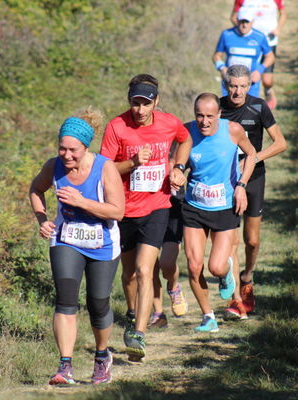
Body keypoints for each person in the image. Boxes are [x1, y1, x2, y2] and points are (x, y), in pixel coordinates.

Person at [29, 108, 125, 385]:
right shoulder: (53, 166)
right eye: (62, 148)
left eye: (73, 150)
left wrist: (81, 201)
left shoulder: (105, 168)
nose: (67, 155)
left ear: (86, 147)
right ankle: (65, 366)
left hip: (103, 244)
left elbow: (118, 211)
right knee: (66, 300)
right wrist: (42, 219)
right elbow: (36, 190)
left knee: (98, 303)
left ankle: (101, 357)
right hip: (66, 239)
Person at [100, 74, 191, 361]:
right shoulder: (117, 127)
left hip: (157, 206)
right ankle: (131, 313)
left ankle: (139, 333)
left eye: (145, 103)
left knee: (143, 270)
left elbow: (185, 139)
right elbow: (105, 169)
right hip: (124, 209)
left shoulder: (168, 123)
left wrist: (179, 167)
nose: (139, 110)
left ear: (156, 102)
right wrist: (132, 163)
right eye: (135, 103)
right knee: (127, 275)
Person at [183, 93, 256, 333]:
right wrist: (175, 173)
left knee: (215, 267)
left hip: (225, 207)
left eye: (209, 117)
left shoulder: (233, 131)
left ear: (219, 115)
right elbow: (177, 163)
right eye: (200, 116)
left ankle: (226, 275)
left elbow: (252, 155)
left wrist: (242, 186)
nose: (204, 122)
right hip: (194, 206)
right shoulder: (186, 133)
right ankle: (208, 316)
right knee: (194, 267)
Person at [219, 65, 287, 320]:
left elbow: (280, 143)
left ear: (250, 86)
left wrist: (254, 158)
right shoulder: (218, 107)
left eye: (242, 86)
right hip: (226, 180)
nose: (237, 91)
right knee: (232, 241)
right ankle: (236, 297)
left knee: (252, 241)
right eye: (233, 86)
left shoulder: (258, 107)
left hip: (254, 178)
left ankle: (247, 276)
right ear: (226, 86)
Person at [148, 156, 188, 330]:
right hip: (148, 208)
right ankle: (158, 313)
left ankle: (173, 286)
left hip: (174, 208)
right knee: (149, 266)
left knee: (166, 263)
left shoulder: (179, 141)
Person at [230, 0, 287, 109]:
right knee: (247, 77)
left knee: (267, 80)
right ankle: (245, 106)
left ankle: (268, 89)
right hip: (250, 44)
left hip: (269, 41)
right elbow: (233, 17)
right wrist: (242, 30)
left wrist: (278, 29)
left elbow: (283, 14)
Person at [213, 6, 275, 100]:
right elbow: (216, 56)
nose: (244, 25)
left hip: (251, 83)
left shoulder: (259, 37)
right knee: (228, 111)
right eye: (242, 21)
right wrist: (222, 68)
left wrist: (259, 70)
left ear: (252, 22)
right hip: (230, 82)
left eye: (247, 22)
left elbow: (270, 57)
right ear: (237, 20)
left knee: (252, 111)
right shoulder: (227, 35)